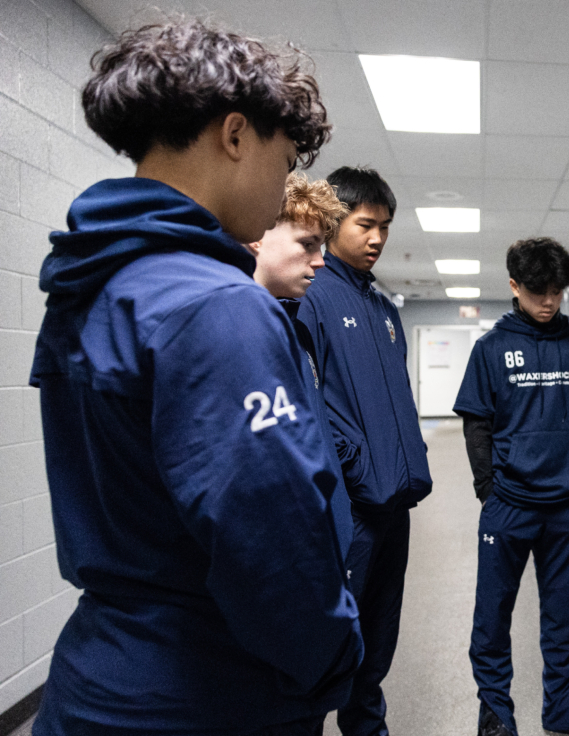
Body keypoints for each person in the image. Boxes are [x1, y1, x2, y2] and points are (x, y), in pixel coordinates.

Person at [29, 19, 362, 736]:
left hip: (100, 677)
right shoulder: (215, 307)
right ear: (237, 135)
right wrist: (336, 659)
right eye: (287, 154)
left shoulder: (95, 285)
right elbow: (269, 534)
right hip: (211, 689)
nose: (284, 183)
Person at [453, 237, 569, 736]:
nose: (549, 301)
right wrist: (490, 491)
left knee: (563, 618)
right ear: (514, 286)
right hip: (509, 506)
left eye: (557, 291)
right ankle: (496, 715)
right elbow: (476, 426)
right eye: (537, 291)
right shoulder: (491, 349)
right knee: (492, 619)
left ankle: (563, 710)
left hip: (568, 507)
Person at [297, 166, 432, 736]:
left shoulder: (383, 307)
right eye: (365, 224)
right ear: (333, 222)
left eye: (385, 227)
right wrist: (353, 468)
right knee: (329, 647)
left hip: (393, 503)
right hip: (351, 511)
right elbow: (310, 405)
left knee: (376, 645)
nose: (377, 238)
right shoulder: (311, 296)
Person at [245, 172, 354, 558]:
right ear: (258, 235)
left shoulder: (296, 330)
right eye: (308, 245)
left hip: (327, 549)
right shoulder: (234, 334)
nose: (320, 262)